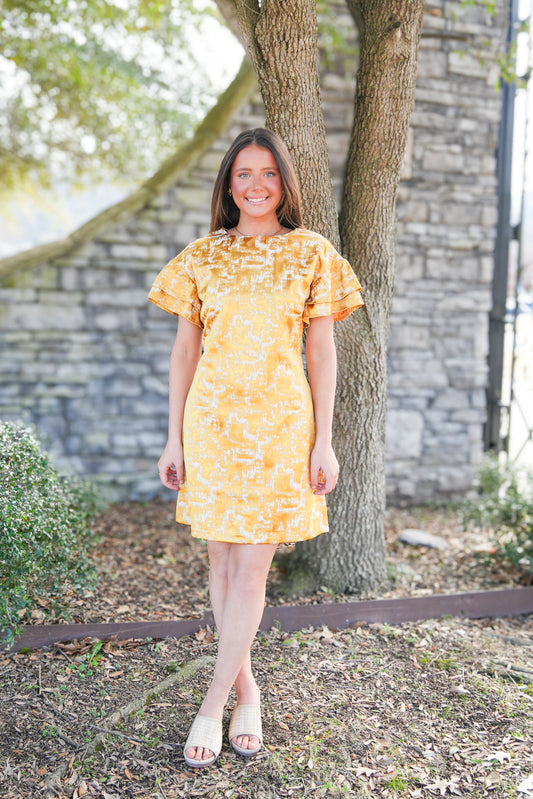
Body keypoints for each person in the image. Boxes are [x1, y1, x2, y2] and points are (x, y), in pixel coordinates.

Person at [148, 128, 363, 768]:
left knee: (250, 570)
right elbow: (184, 351)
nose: (256, 185)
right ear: (228, 184)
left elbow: (321, 351)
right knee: (219, 564)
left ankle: (212, 704)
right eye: (244, 173)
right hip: (211, 424)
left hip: (279, 428)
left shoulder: (312, 254)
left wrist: (324, 440)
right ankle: (247, 688)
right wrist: (173, 436)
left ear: (284, 182)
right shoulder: (201, 258)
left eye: (268, 173)